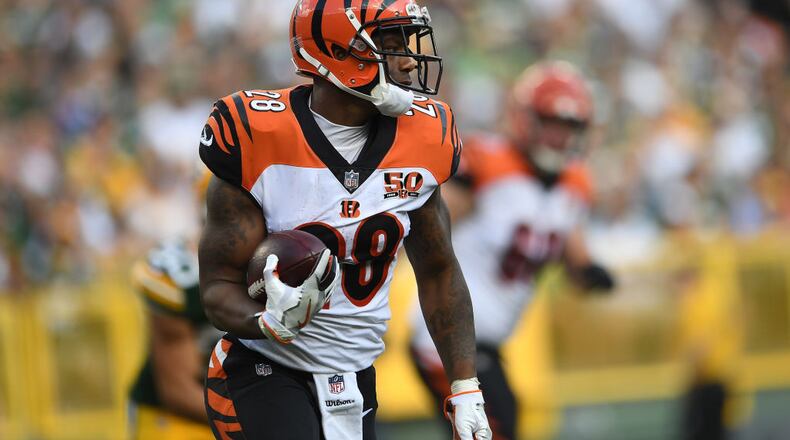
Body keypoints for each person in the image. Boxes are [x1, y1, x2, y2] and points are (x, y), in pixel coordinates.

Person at [197, 1, 491, 439]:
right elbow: (217, 287)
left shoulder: (425, 138)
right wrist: (267, 321)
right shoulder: (256, 133)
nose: (410, 61)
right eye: (391, 44)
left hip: (355, 375)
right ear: (338, 50)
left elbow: (438, 270)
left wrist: (465, 387)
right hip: (262, 367)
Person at [409, 61, 616, 440]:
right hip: (446, 336)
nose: (559, 136)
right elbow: (425, 227)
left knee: (502, 421)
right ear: (527, 119)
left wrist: (595, 275)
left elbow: (577, 259)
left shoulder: (575, 183)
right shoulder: (489, 162)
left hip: (484, 344)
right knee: (497, 426)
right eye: (552, 123)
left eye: (569, 126)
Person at [128, 234, 220, 437]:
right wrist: (250, 424)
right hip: (178, 420)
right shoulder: (183, 275)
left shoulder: (282, 261)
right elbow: (178, 391)